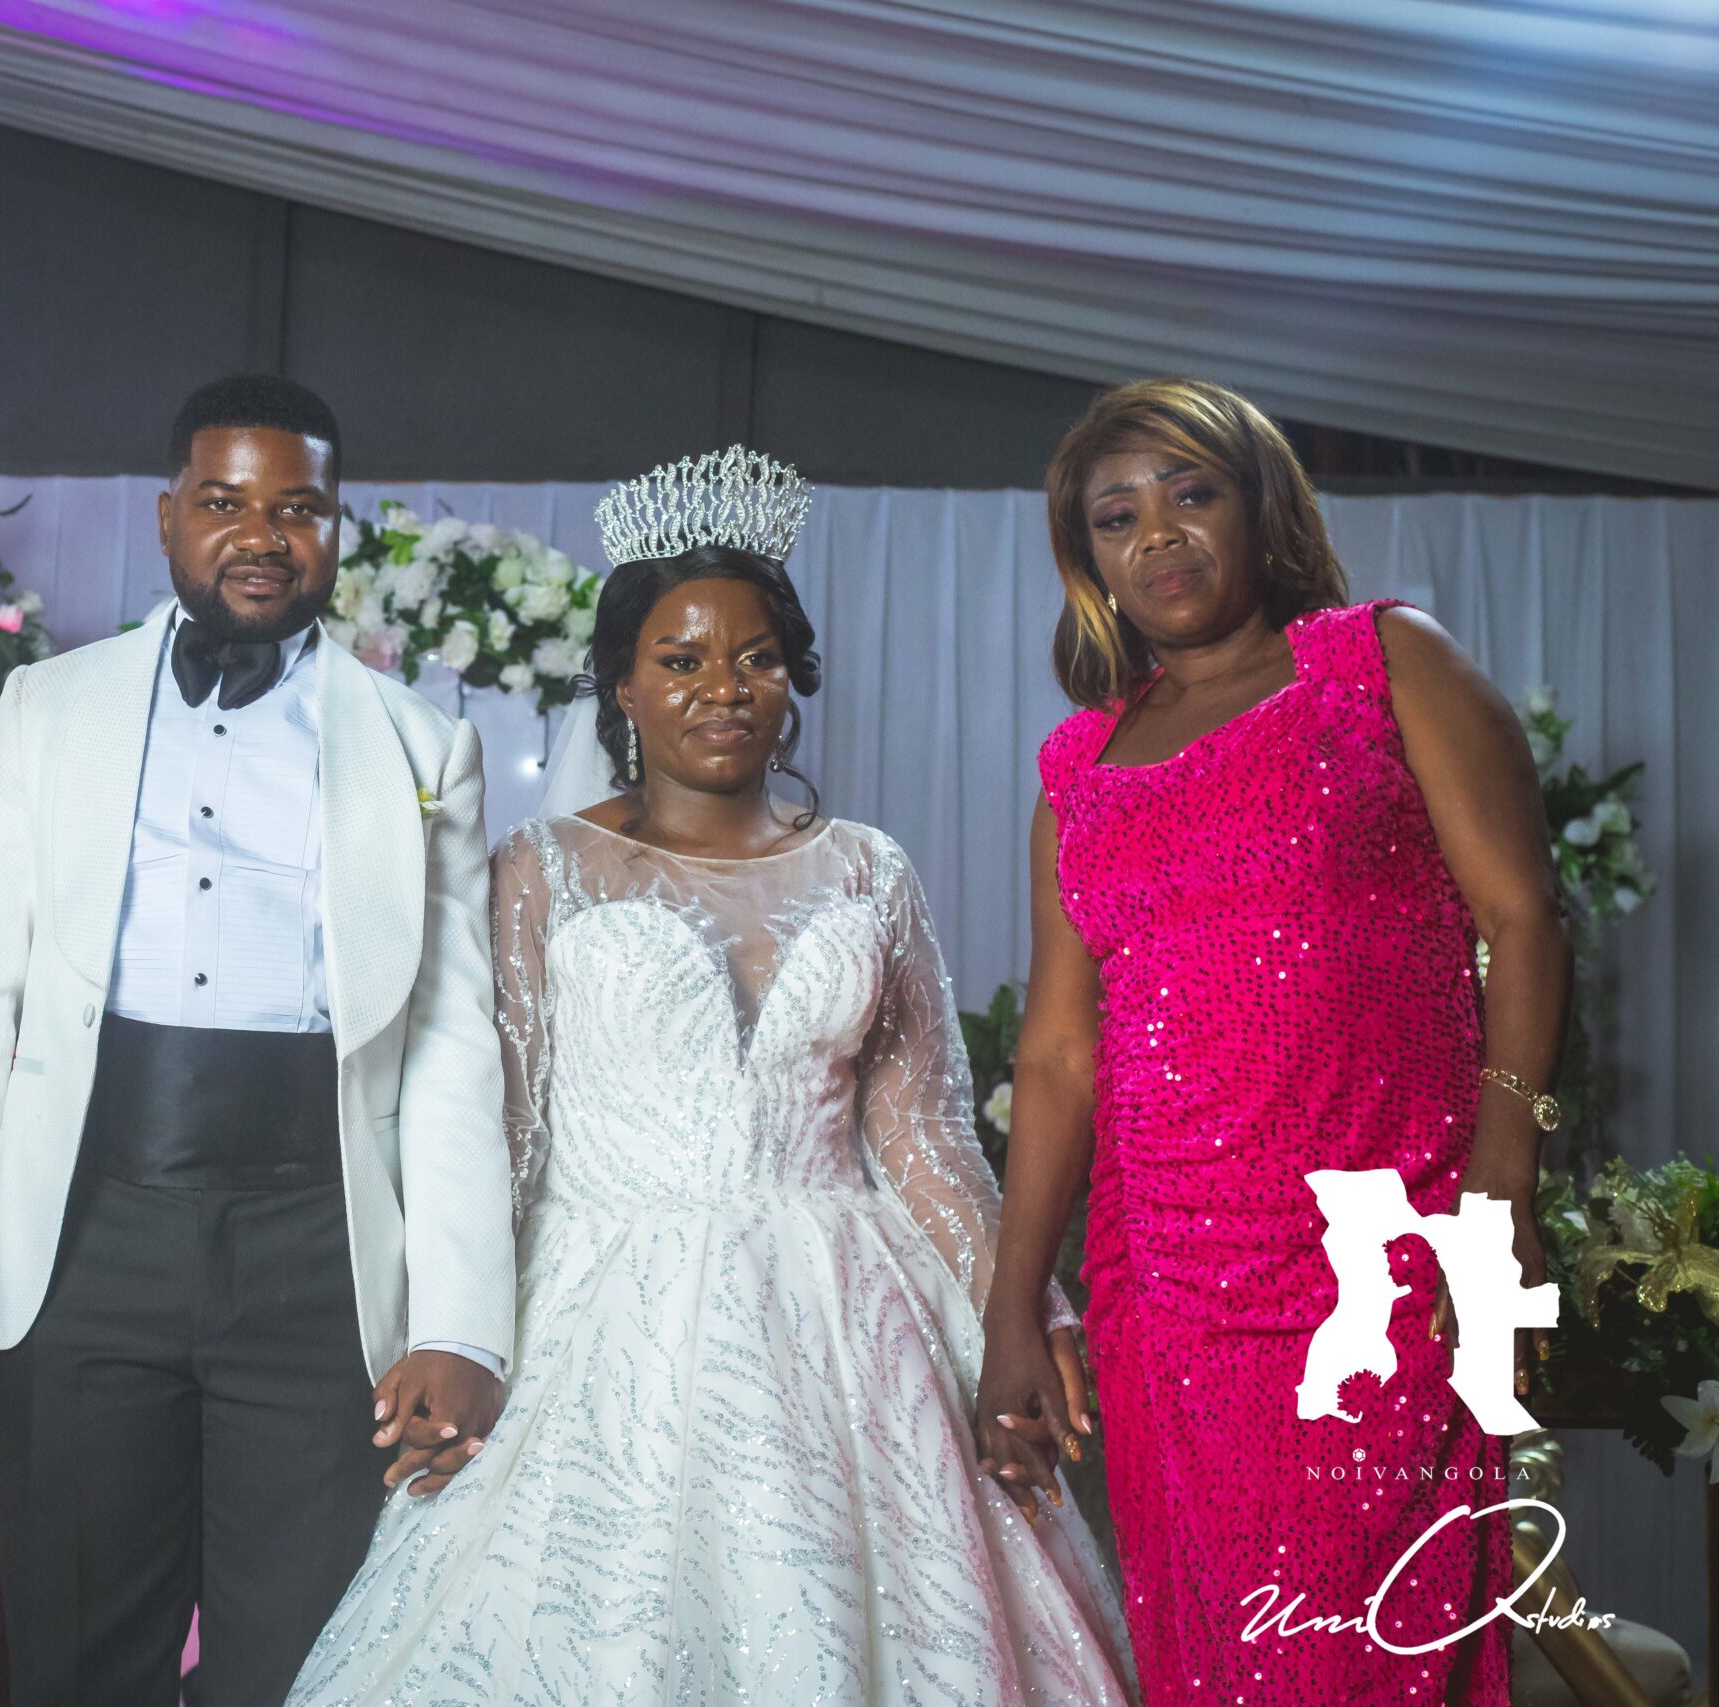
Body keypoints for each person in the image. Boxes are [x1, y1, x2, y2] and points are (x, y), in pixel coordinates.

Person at [289, 446, 1137, 1705]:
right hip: (603, 1315)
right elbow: (501, 1128)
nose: (722, 689)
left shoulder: (869, 869)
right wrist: (448, 1331)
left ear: (793, 678)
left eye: (755, 658)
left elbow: (921, 1139)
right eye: (680, 661)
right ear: (622, 686)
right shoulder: (538, 867)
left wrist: (1022, 1315)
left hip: (846, 1323)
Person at [0, 374, 515, 1706]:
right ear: (170, 517)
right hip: (88, 1232)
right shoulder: (48, 706)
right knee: (75, 1657)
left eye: (298, 508)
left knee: (297, 1662)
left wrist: (463, 1321)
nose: (261, 535)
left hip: (317, 1256)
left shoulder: (425, 744)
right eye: (225, 502)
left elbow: (454, 1046)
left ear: (337, 529)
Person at [974, 378, 1571, 1706]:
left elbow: (1524, 919)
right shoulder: (1078, 769)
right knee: (1218, 1659)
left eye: (1191, 493)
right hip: (1167, 1288)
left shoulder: (1382, 662)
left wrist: (1501, 1184)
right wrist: (1015, 1306)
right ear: (1089, 560)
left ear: (1260, 506)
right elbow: (1060, 1055)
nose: (1158, 533)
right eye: (1116, 517)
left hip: (1378, 1255)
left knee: (1369, 1644)